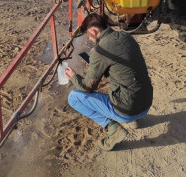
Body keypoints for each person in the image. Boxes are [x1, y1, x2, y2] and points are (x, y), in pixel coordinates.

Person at [65, 13, 153, 151]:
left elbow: (88, 87)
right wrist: (93, 63)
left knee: (74, 97)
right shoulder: (126, 36)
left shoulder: (100, 50)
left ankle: (113, 128)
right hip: (147, 103)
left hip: (127, 110)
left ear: (94, 31)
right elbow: (119, 68)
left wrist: (73, 77)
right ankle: (134, 120)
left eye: (88, 36)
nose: (89, 39)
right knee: (128, 79)